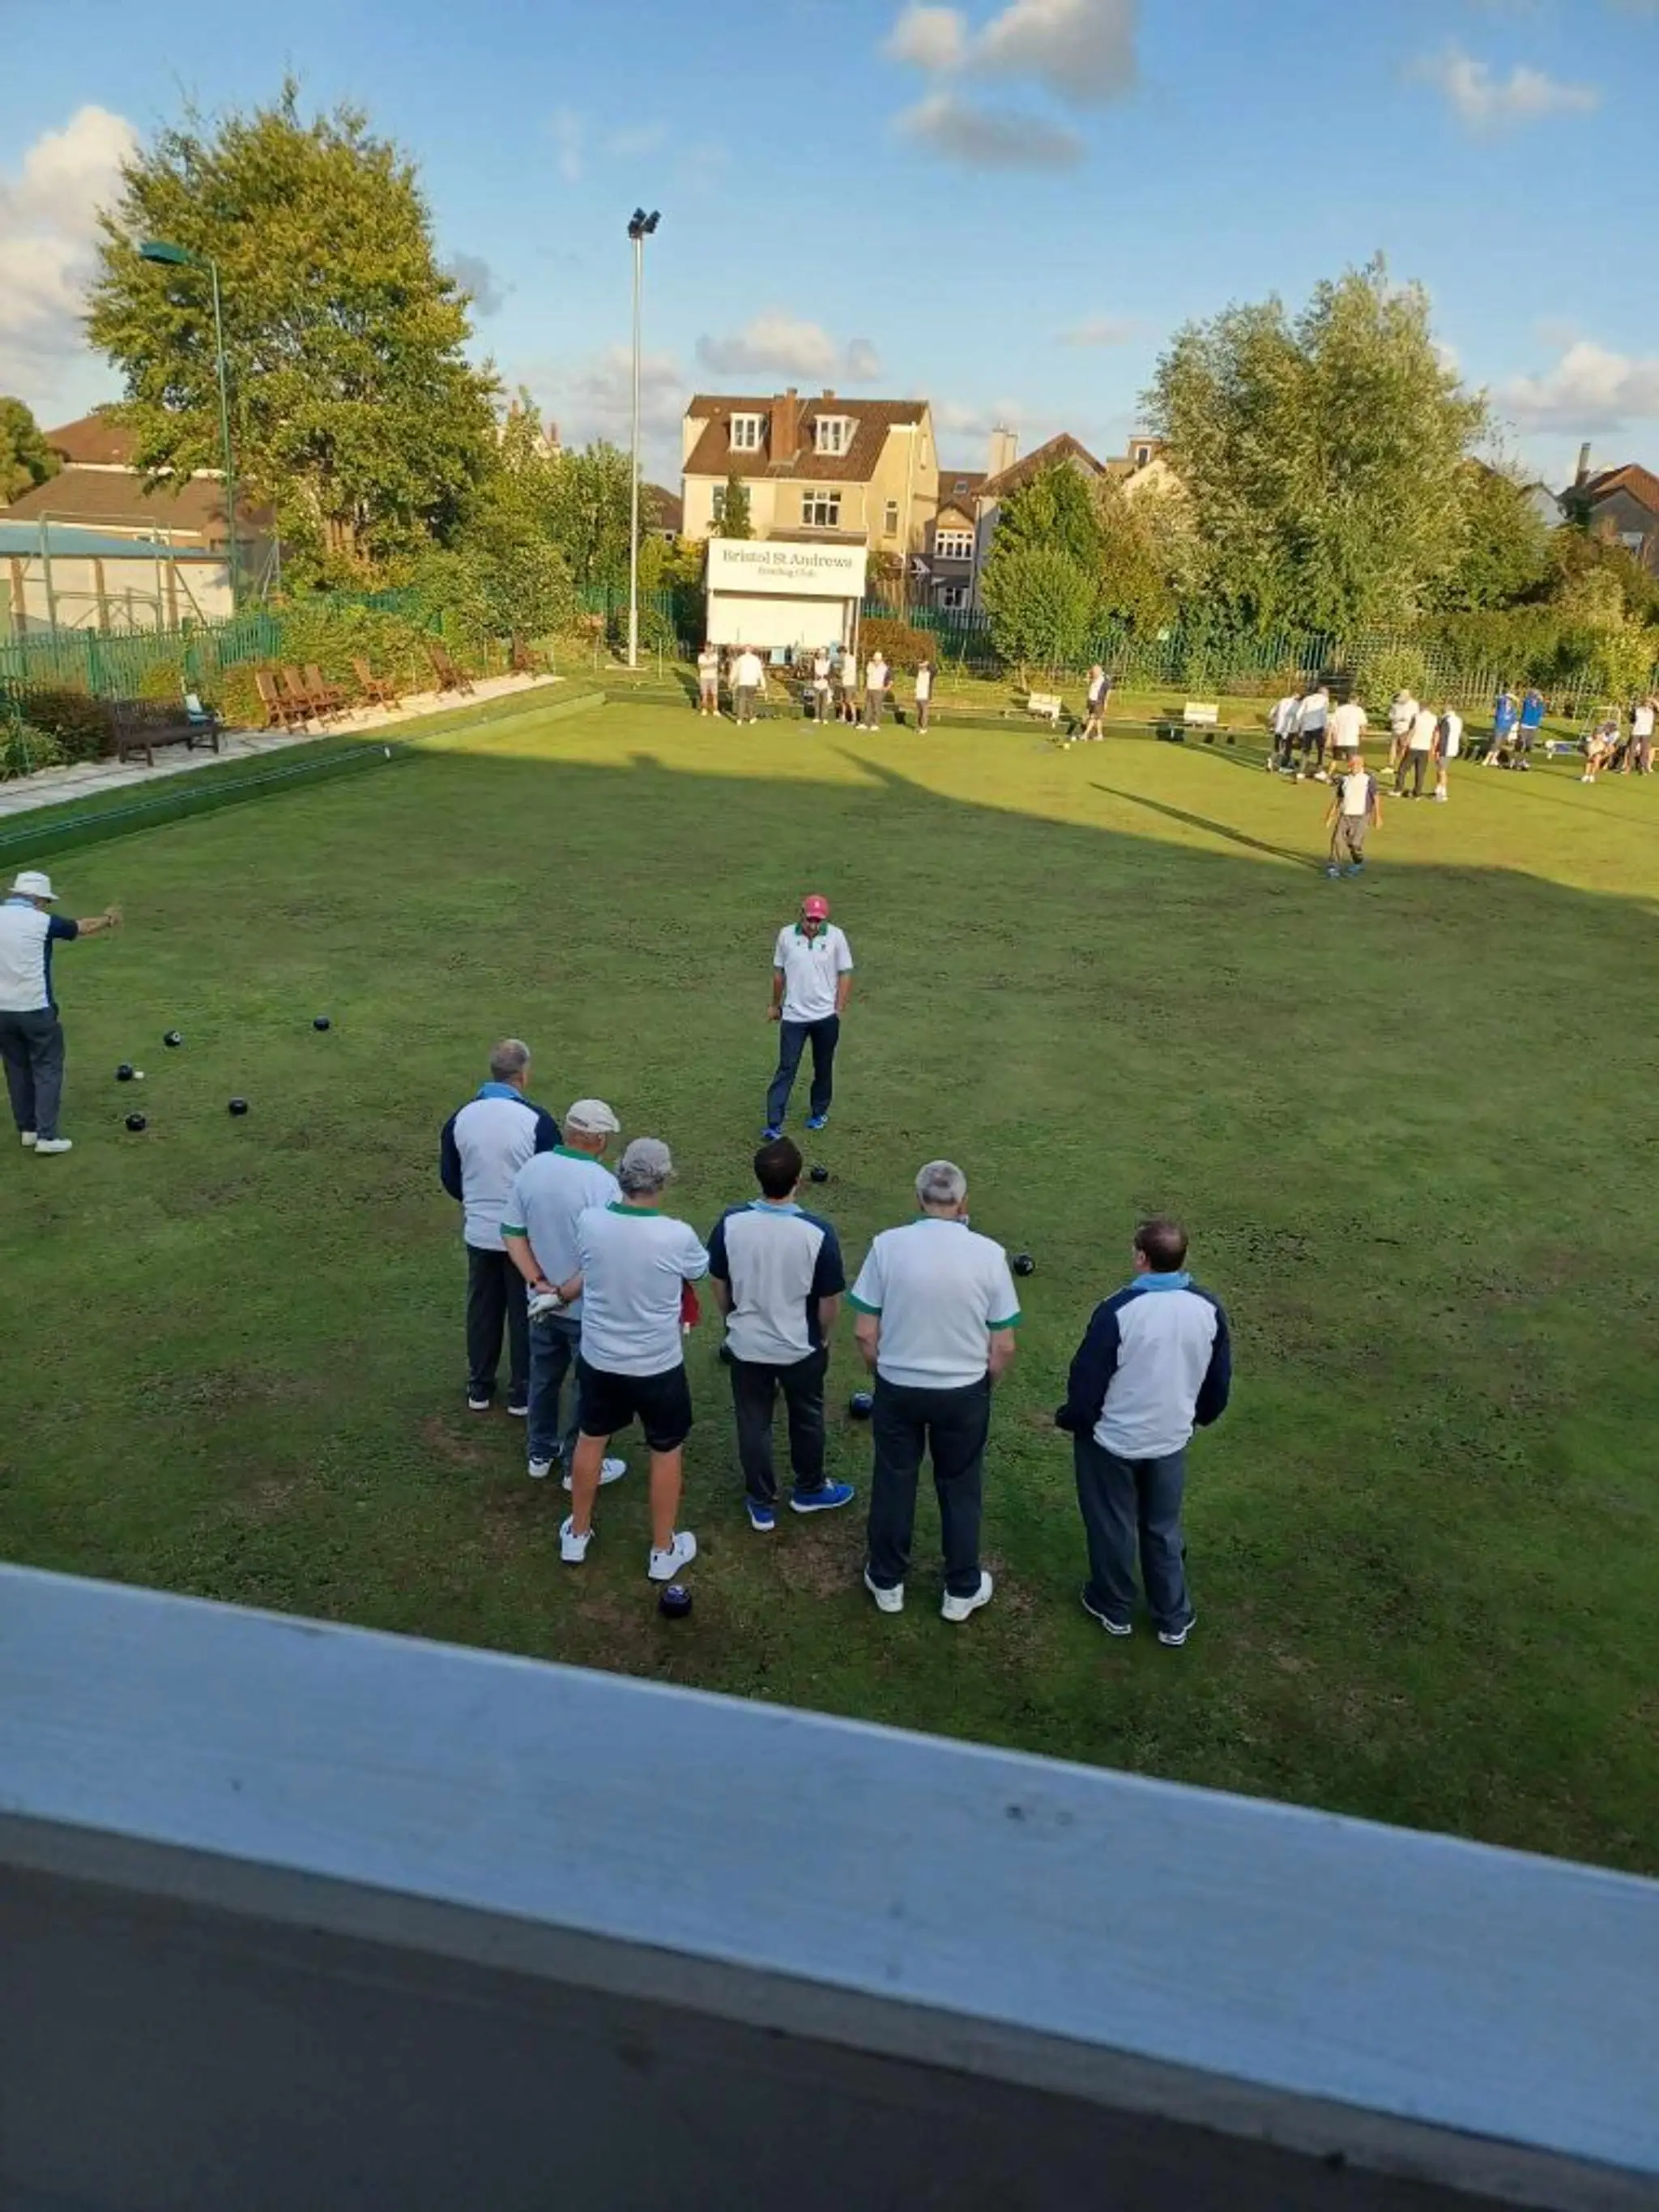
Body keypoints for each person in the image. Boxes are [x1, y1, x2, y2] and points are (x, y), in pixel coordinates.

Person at [850, 1160, 1021, 1622]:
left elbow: (866, 1332)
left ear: (917, 1198)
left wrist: (881, 1371)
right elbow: (1003, 1343)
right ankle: (960, 1589)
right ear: (963, 1203)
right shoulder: (989, 1254)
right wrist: (985, 1382)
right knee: (961, 1486)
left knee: (894, 1479)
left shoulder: (887, 1247)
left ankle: (887, 1580)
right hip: (963, 1391)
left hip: (899, 1386)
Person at [1055, 1217, 1230, 1647]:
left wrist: (1073, 1419)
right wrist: (1199, 1417)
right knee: (1163, 1527)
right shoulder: (1208, 1308)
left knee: (1113, 1525)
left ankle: (1113, 1606)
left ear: (1141, 1258)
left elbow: (1087, 1381)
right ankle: (1173, 1617)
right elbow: (1218, 1380)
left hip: (1113, 1441)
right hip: (1170, 1439)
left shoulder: (1118, 1311)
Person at [552, 1136, 708, 1583]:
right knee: (666, 1449)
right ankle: (663, 1549)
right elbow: (698, 1268)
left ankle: (577, 1534)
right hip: (657, 1365)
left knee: (591, 1437)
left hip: (600, 1358)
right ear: (664, 1180)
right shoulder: (676, 1235)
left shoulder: (590, 1222)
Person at [709, 1136, 852, 1532]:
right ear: (798, 1181)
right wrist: (823, 1336)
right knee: (807, 1416)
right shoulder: (817, 1232)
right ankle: (808, 1489)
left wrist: (731, 1319)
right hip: (800, 1346)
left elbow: (718, 1282)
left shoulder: (730, 1222)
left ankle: (761, 1503)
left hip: (747, 1343)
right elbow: (829, 1300)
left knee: (753, 1421)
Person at [501, 1097, 629, 1488]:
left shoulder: (532, 1170)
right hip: (587, 1309)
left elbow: (512, 1232)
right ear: (598, 1139)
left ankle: (539, 1452)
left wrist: (538, 1282)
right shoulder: (605, 1185)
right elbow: (604, 1256)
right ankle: (579, 1465)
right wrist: (565, 1292)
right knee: (588, 1387)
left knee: (543, 1378)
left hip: (541, 1304)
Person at [439, 1040, 560, 1415]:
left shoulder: (460, 1118)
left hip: (479, 1231)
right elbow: (548, 1178)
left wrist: (476, 1202)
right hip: (522, 1237)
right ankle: (522, 1394)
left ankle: (480, 1386)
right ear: (523, 1075)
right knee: (524, 1311)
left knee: (482, 1309)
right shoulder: (537, 1120)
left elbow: (451, 1177)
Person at [0, 868, 121, 1157]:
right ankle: (46, 1135)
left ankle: (28, 1130)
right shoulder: (41, 922)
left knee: (16, 1068)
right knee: (47, 1068)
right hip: (36, 1008)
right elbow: (81, 928)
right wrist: (108, 919)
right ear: (39, 899)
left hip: (2, 1011)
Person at [763, 893, 854, 1140]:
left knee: (823, 1067)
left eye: (818, 920)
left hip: (825, 1017)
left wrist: (839, 1009)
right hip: (794, 1017)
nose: (813, 924)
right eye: (809, 919)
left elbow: (845, 973)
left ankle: (819, 1112)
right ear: (800, 913)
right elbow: (779, 974)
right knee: (786, 1067)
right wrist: (774, 1005)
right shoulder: (786, 936)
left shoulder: (836, 937)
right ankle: (773, 1123)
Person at [1325, 754, 1381, 877]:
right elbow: (1339, 799)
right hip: (1345, 815)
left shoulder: (1368, 779)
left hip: (1362, 816)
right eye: (1351, 764)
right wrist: (1331, 815)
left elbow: (1376, 797)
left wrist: (1378, 816)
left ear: (1362, 764)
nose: (1353, 766)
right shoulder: (1345, 780)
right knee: (1337, 840)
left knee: (1355, 843)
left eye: (1356, 763)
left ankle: (1358, 862)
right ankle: (1334, 866)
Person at [1395, 701, 1439, 799]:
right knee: (1420, 772)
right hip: (1425, 748)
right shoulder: (1434, 718)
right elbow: (1436, 733)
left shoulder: (1416, 716)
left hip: (1414, 746)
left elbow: (1411, 731)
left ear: (1421, 707)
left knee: (1403, 768)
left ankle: (1398, 789)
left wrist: (1405, 745)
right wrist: (1434, 747)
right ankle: (1417, 793)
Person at [1294, 683, 1330, 779]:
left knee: (1306, 750)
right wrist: (1326, 728)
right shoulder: (1324, 700)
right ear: (1324, 693)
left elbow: (1298, 714)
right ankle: (1320, 770)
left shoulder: (1307, 699)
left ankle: (1301, 772)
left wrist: (1300, 727)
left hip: (1307, 727)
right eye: (1327, 693)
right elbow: (1324, 715)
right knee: (1321, 750)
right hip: (1318, 727)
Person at [1433, 701, 1462, 803]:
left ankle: (1443, 793)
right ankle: (1439, 789)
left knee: (1442, 770)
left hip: (1445, 748)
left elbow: (1443, 737)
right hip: (1454, 748)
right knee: (1441, 769)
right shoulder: (1458, 720)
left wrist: (1438, 750)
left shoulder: (1445, 720)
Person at [1328, 692, 1367, 768]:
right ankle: (1350, 777)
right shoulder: (1359, 710)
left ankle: (1329, 775)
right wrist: (1361, 737)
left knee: (1335, 760)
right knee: (1352, 761)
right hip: (1351, 740)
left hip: (1339, 740)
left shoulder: (1339, 709)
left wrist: (1330, 738)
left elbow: (1332, 724)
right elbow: (1363, 727)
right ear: (1357, 700)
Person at [1268, 688, 1300, 774]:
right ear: (1296, 695)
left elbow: (1272, 712)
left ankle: (1271, 761)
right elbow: (1299, 718)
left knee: (1277, 748)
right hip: (1290, 730)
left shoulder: (1282, 701)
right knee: (1287, 749)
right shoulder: (1297, 704)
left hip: (1279, 728)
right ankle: (1283, 766)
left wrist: (1271, 722)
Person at [1387, 689, 1418, 774]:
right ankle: (1390, 765)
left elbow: (1415, 717)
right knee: (1393, 746)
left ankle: (1403, 766)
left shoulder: (1414, 705)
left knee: (1404, 748)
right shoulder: (1396, 704)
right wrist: (1396, 718)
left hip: (1406, 729)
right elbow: (1391, 715)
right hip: (1396, 727)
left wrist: (1409, 723)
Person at [731, 644, 764, 726]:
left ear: (744, 650)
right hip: (752, 683)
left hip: (742, 682)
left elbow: (735, 671)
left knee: (741, 701)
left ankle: (739, 719)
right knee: (751, 701)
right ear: (751, 650)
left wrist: (732, 681)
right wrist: (763, 684)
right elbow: (760, 673)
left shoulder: (740, 659)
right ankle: (751, 718)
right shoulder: (756, 659)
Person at [1488, 685, 1519, 767]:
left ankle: (1494, 759)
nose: (1510, 702)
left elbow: (1514, 719)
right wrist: (1508, 695)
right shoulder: (1502, 704)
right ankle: (1487, 759)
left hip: (1507, 728)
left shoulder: (1512, 709)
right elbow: (1499, 698)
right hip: (1499, 726)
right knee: (1496, 744)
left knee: (1501, 744)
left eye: (1511, 701)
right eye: (1509, 700)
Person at [1516, 684, 1545, 770]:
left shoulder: (1540, 704)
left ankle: (1525, 761)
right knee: (1521, 743)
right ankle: (1517, 761)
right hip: (1525, 725)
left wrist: (1541, 702)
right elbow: (1528, 702)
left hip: (1533, 727)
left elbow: (1540, 714)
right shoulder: (1527, 701)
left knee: (1529, 746)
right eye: (1535, 694)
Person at [1625, 695, 1654, 775]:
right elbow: (1632, 719)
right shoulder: (1638, 710)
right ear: (1643, 703)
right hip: (1636, 732)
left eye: (1649, 702)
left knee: (1644, 751)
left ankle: (1642, 768)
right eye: (1646, 702)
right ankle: (1628, 767)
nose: (1647, 704)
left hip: (1646, 732)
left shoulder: (1652, 711)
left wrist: (1653, 700)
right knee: (1632, 750)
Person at [862, 650, 889, 731]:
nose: (876, 661)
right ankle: (865, 723)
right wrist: (866, 686)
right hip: (870, 688)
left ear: (881, 660)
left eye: (878, 660)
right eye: (875, 659)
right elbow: (867, 676)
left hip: (878, 690)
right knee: (868, 707)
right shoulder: (870, 665)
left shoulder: (884, 667)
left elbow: (889, 679)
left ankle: (875, 724)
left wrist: (885, 688)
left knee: (876, 708)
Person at [1082, 665, 1111, 741]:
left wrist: (1106, 702)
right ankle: (1100, 735)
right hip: (1091, 700)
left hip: (1098, 702)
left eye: (1094, 672)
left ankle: (1085, 734)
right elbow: (1088, 676)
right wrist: (1088, 677)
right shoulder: (1094, 677)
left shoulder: (1104, 680)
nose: (1093, 674)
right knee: (1098, 719)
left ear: (1099, 672)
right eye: (1093, 672)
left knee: (1093, 718)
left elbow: (1108, 691)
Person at [697, 641, 721, 718]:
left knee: (715, 695)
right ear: (705, 648)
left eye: (710, 648)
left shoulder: (715, 656)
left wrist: (706, 666)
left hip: (713, 678)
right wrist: (710, 665)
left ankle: (715, 710)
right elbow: (701, 667)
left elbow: (715, 666)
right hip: (704, 677)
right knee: (704, 695)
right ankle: (704, 709)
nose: (709, 649)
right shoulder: (701, 657)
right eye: (707, 648)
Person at [811, 647, 833, 723]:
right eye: (820, 654)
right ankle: (817, 717)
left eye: (823, 654)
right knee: (817, 702)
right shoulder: (815, 662)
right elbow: (812, 672)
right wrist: (815, 677)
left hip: (825, 684)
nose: (822, 655)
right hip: (817, 684)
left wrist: (826, 677)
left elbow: (831, 673)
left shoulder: (829, 662)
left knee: (824, 703)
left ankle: (824, 718)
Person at [914, 657, 935, 733]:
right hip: (918, 695)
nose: (923, 668)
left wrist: (928, 663)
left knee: (924, 713)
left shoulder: (929, 674)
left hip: (925, 696)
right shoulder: (918, 673)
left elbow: (934, 670)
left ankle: (924, 728)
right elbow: (911, 671)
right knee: (919, 713)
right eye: (922, 666)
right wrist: (919, 664)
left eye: (924, 667)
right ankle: (919, 727)